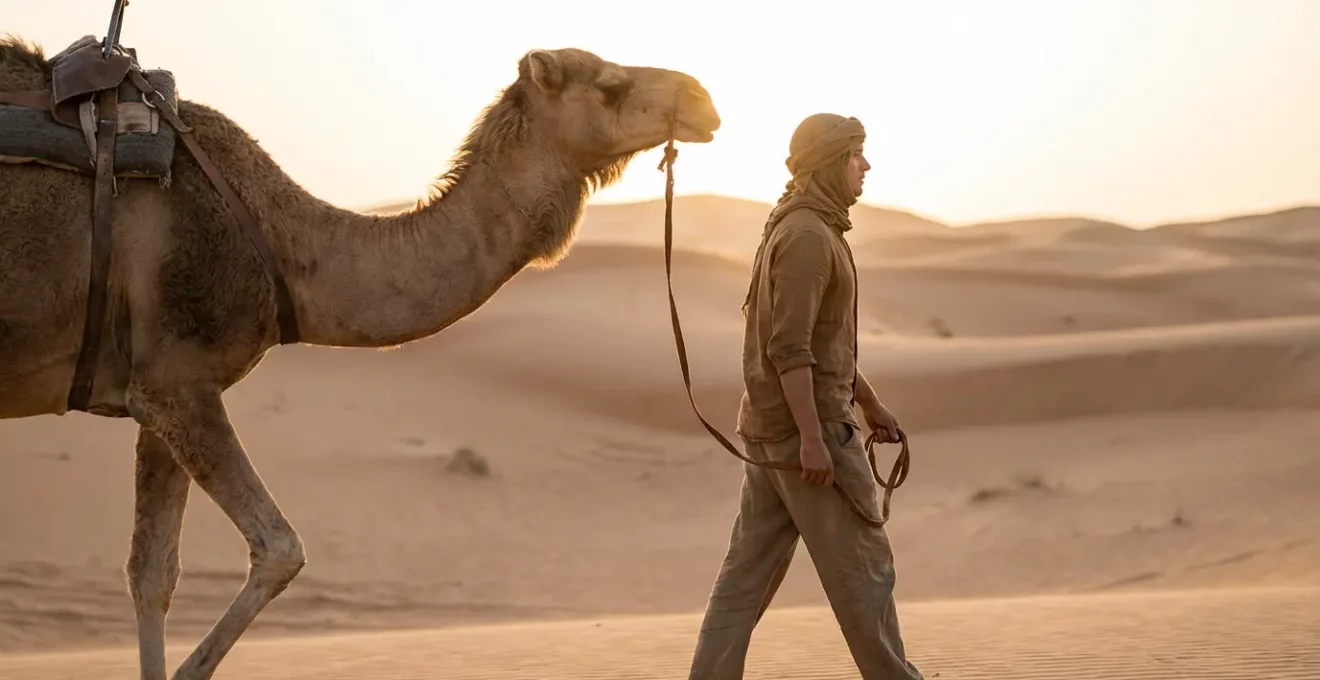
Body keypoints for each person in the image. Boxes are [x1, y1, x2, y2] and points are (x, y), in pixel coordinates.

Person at [686, 113, 924, 680]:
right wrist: (815, 439)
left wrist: (868, 402)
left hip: (774, 433)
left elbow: (821, 343)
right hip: (805, 439)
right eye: (855, 155)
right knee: (864, 575)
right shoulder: (808, 238)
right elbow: (788, 349)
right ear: (829, 163)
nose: (866, 166)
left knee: (744, 580)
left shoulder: (798, 226)